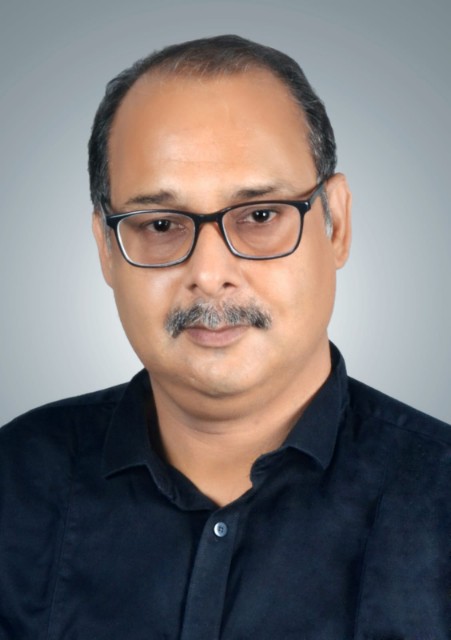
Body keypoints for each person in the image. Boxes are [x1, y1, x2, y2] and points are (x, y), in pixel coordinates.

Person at [1, 34, 450, 640]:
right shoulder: (15, 483)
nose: (210, 274)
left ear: (336, 224)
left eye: (260, 215)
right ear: (106, 249)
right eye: (161, 224)